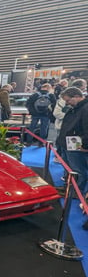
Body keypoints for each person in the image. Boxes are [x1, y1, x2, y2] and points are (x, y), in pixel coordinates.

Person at [56, 87, 88, 229]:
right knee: (70, 168)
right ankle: (69, 189)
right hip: (67, 143)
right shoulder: (76, 108)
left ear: (76, 96)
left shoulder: (85, 109)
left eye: (69, 100)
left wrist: (85, 145)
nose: (68, 103)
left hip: (77, 146)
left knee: (78, 170)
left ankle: (77, 192)